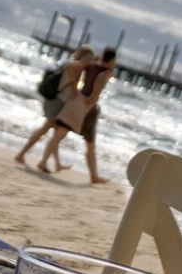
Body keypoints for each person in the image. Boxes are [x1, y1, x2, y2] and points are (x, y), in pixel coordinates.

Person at [37, 45, 117, 184]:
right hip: (88, 107)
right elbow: (98, 85)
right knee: (90, 143)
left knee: (60, 134)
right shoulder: (107, 71)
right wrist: (91, 99)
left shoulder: (91, 65)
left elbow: (69, 66)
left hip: (77, 102)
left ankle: (43, 161)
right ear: (113, 60)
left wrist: (75, 87)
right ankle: (93, 176)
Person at [14, 46, 95, 170]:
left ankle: (52, 163)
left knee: (56, 132)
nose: (90, 62)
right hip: (56, 102)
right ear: (83, 56)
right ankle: (22, 155)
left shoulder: (71, 66)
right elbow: (74, 72)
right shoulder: (72, 65)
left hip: (58, 101)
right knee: (46, 129)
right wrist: (78, 78)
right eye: (89, 58)